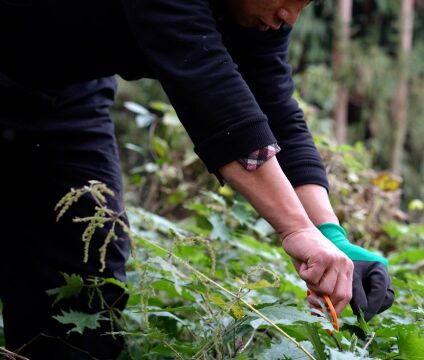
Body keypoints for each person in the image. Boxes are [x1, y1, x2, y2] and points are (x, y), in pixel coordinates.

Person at [0, 0, 394, 358]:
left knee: (86, 290)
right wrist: (295, 229)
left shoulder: (258, 18)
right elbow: (211, 94)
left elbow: (276, 112)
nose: (290, 16)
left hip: (64, 94)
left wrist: (329, 234)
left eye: (304, 3)